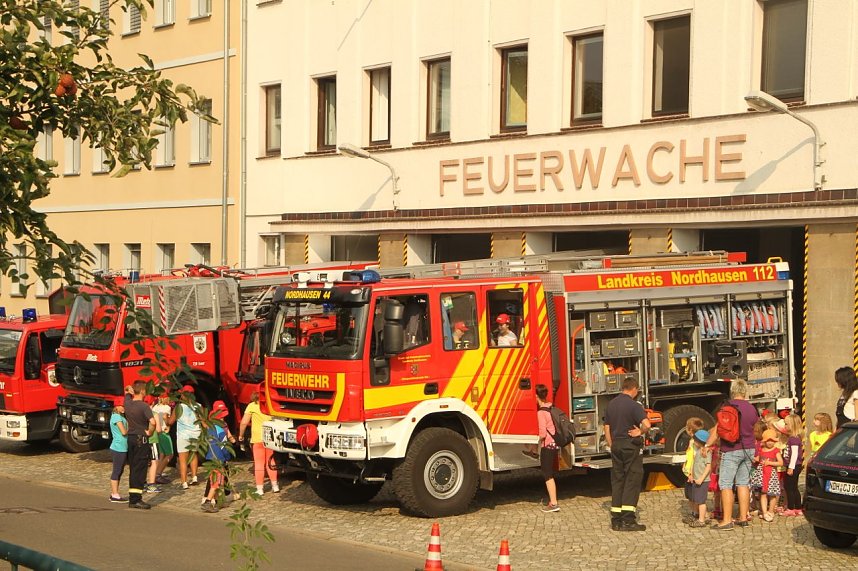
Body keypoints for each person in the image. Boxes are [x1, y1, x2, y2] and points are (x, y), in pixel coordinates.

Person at [705, 378, 759, 530]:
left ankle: (727, 520)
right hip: (748, 448)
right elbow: (753, 424)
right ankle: (743, 517)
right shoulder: (751, 408)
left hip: (731, 448)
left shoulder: (727, 406)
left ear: (732, 391)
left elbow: (718, 429)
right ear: (745, 391)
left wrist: (707, 444)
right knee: (743, 483)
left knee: (726, 484)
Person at [603, 376, 650, 531]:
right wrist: (640, 431)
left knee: (618, 481)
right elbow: (647, 424)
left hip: (616, 445)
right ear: (634, 389)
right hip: (630, 446)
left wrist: (612, 445)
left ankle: (616, 520)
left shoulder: (611, 404)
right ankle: (628, 519)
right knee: (632, 481)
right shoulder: (634, 405)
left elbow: (607, 428)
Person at [238, 391, 279, 496]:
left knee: (259, 463)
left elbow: (243, 422)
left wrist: (241, 435)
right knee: (271, 461)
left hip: (257, 438)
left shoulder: (252, 406)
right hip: (270, 437)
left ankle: (260, 488)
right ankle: (275, 486)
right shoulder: (270, 405)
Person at [124, 381, 156, 509]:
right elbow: (152, 422)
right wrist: (149, 432)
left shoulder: (128, 403)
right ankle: (136, 499)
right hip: (141, 438)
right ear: (143, 391)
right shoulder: (144, 406)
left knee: (133, 468)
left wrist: (129, 391)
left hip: (131, 438)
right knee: (140, 469)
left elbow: (126, 391)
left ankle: (133, 497)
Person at [201, 400, 237, 513]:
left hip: (210, 457)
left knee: (215, 481)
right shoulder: (221, 430)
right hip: (219, 459)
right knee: (216, 483)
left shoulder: (211, 427)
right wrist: (227, 457)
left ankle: (216, 502)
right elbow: (223, 447)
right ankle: (208, 501)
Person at [534, 384, 560, 513]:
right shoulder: (551, 407)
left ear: (536, 396)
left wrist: (534, 442)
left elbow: (543, 433)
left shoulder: (541, 412)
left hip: (547, 446)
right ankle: (553, 501)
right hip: (554, 444)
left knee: (547, 474)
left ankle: (554, 503)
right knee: (549, 473)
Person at [171, 384, 202, 490]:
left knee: (183, 460)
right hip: (195, 434)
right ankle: (194, 477)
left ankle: (184, 482)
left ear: (183, 395)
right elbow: (202, 420)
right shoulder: (198, 406)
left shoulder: (178, 407)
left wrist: (164, 419)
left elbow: (171, 421)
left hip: (183, 436)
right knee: (193, 455)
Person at [751, 429, 782, 522]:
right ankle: (764, 512)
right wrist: (755, 459)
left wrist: (770, 462)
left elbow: (780, 462)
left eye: (772, 440)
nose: (770, 443)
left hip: (771, 475)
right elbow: (758, 458)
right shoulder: (761, 449)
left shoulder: (776, 451)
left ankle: (771, 511)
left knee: (772, 494)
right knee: (763, 493)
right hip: (762, 474)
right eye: (768, 440)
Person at [780, 413, 805, 516]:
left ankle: (791, 507)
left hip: (793, 466)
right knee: (793, 487)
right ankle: (798, 507)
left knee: (789, 487)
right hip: (794, 465)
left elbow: (794, 454)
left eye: (786, 424)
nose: (785, 426)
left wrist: (790, 467)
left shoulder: (794, 439)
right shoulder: (792, 438)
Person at [681, 417, 705, 523]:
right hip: (690, 471)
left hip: (692, 473)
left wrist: (690, 473)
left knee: (693, 495)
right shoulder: (696, 442)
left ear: (690, 430)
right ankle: (695, 513)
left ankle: (696, 513)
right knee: (691, 495)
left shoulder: (694, 443)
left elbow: (693, 458)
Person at [687, 429, 712, 528]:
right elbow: (694, 463)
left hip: (703, 480)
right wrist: (691, 475)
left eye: (695, 440)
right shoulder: (697, 450)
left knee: (701, 501)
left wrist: (701, 478)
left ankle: (702, 520)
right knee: (696, 499)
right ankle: (701, 516)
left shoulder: (706, 452)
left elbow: (708, 467)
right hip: (696, 479)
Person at [108, 401, 128, 503]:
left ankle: (114, 493)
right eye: (122, 406)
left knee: (120, 470)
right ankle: (115, 494)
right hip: (118, 447)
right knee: (117, 470)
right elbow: (123, 431)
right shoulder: (116, 417)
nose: (123, 408)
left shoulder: (121, 416)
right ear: (117, 406)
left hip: (122, 447)